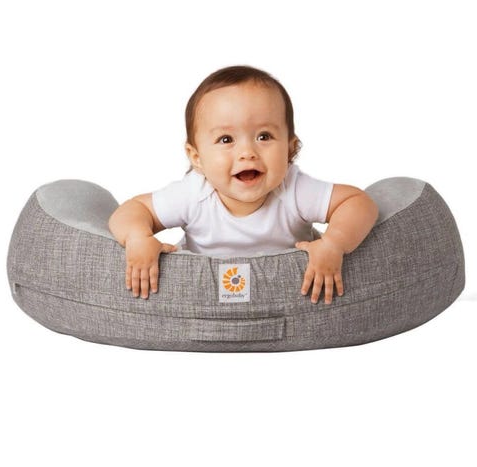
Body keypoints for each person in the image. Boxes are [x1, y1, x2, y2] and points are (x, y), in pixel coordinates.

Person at [109, 65, 378, 304]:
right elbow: (133, 210)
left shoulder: (293, 189)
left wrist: (334, 243)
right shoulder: (194, 193)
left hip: (286, 297)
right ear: (197, 157)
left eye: (264, 136)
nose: (247, 152)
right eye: (226, 140)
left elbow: (358, 203)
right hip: (205, 298)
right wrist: (138, 237)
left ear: (290, 148)